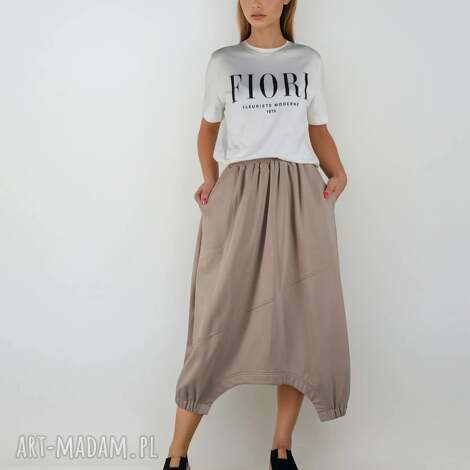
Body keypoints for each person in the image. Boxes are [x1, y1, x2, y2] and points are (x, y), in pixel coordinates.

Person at [163, 1, 351, 469]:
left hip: (300, 193)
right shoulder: (224, 61)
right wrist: (210, 179)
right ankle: (177, 453)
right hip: (241, 191)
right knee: (217, 315)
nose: (258, 3)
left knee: (300, 317)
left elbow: (318, 130)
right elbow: (207, 132)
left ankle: (281, 447)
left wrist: (338, 171)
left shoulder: (307, 60)